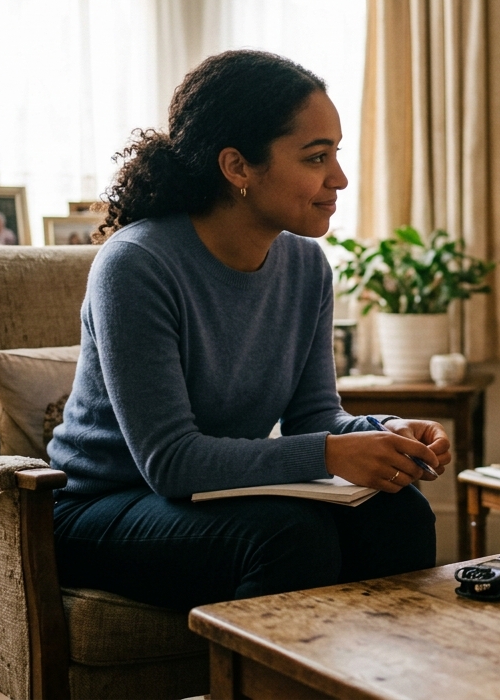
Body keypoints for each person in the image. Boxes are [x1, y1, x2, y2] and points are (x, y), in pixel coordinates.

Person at [46, 50, 450, 612]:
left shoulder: (308, 267)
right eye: (316, 157)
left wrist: (385, 430)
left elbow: (315, 418)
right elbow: (170, 462)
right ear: (237, 167)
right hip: (103, 508)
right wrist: (332, 454)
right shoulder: (136, 265)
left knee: (398, 512)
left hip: (216, 498)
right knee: (287, 534)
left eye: (336, 153)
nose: (340, 178)